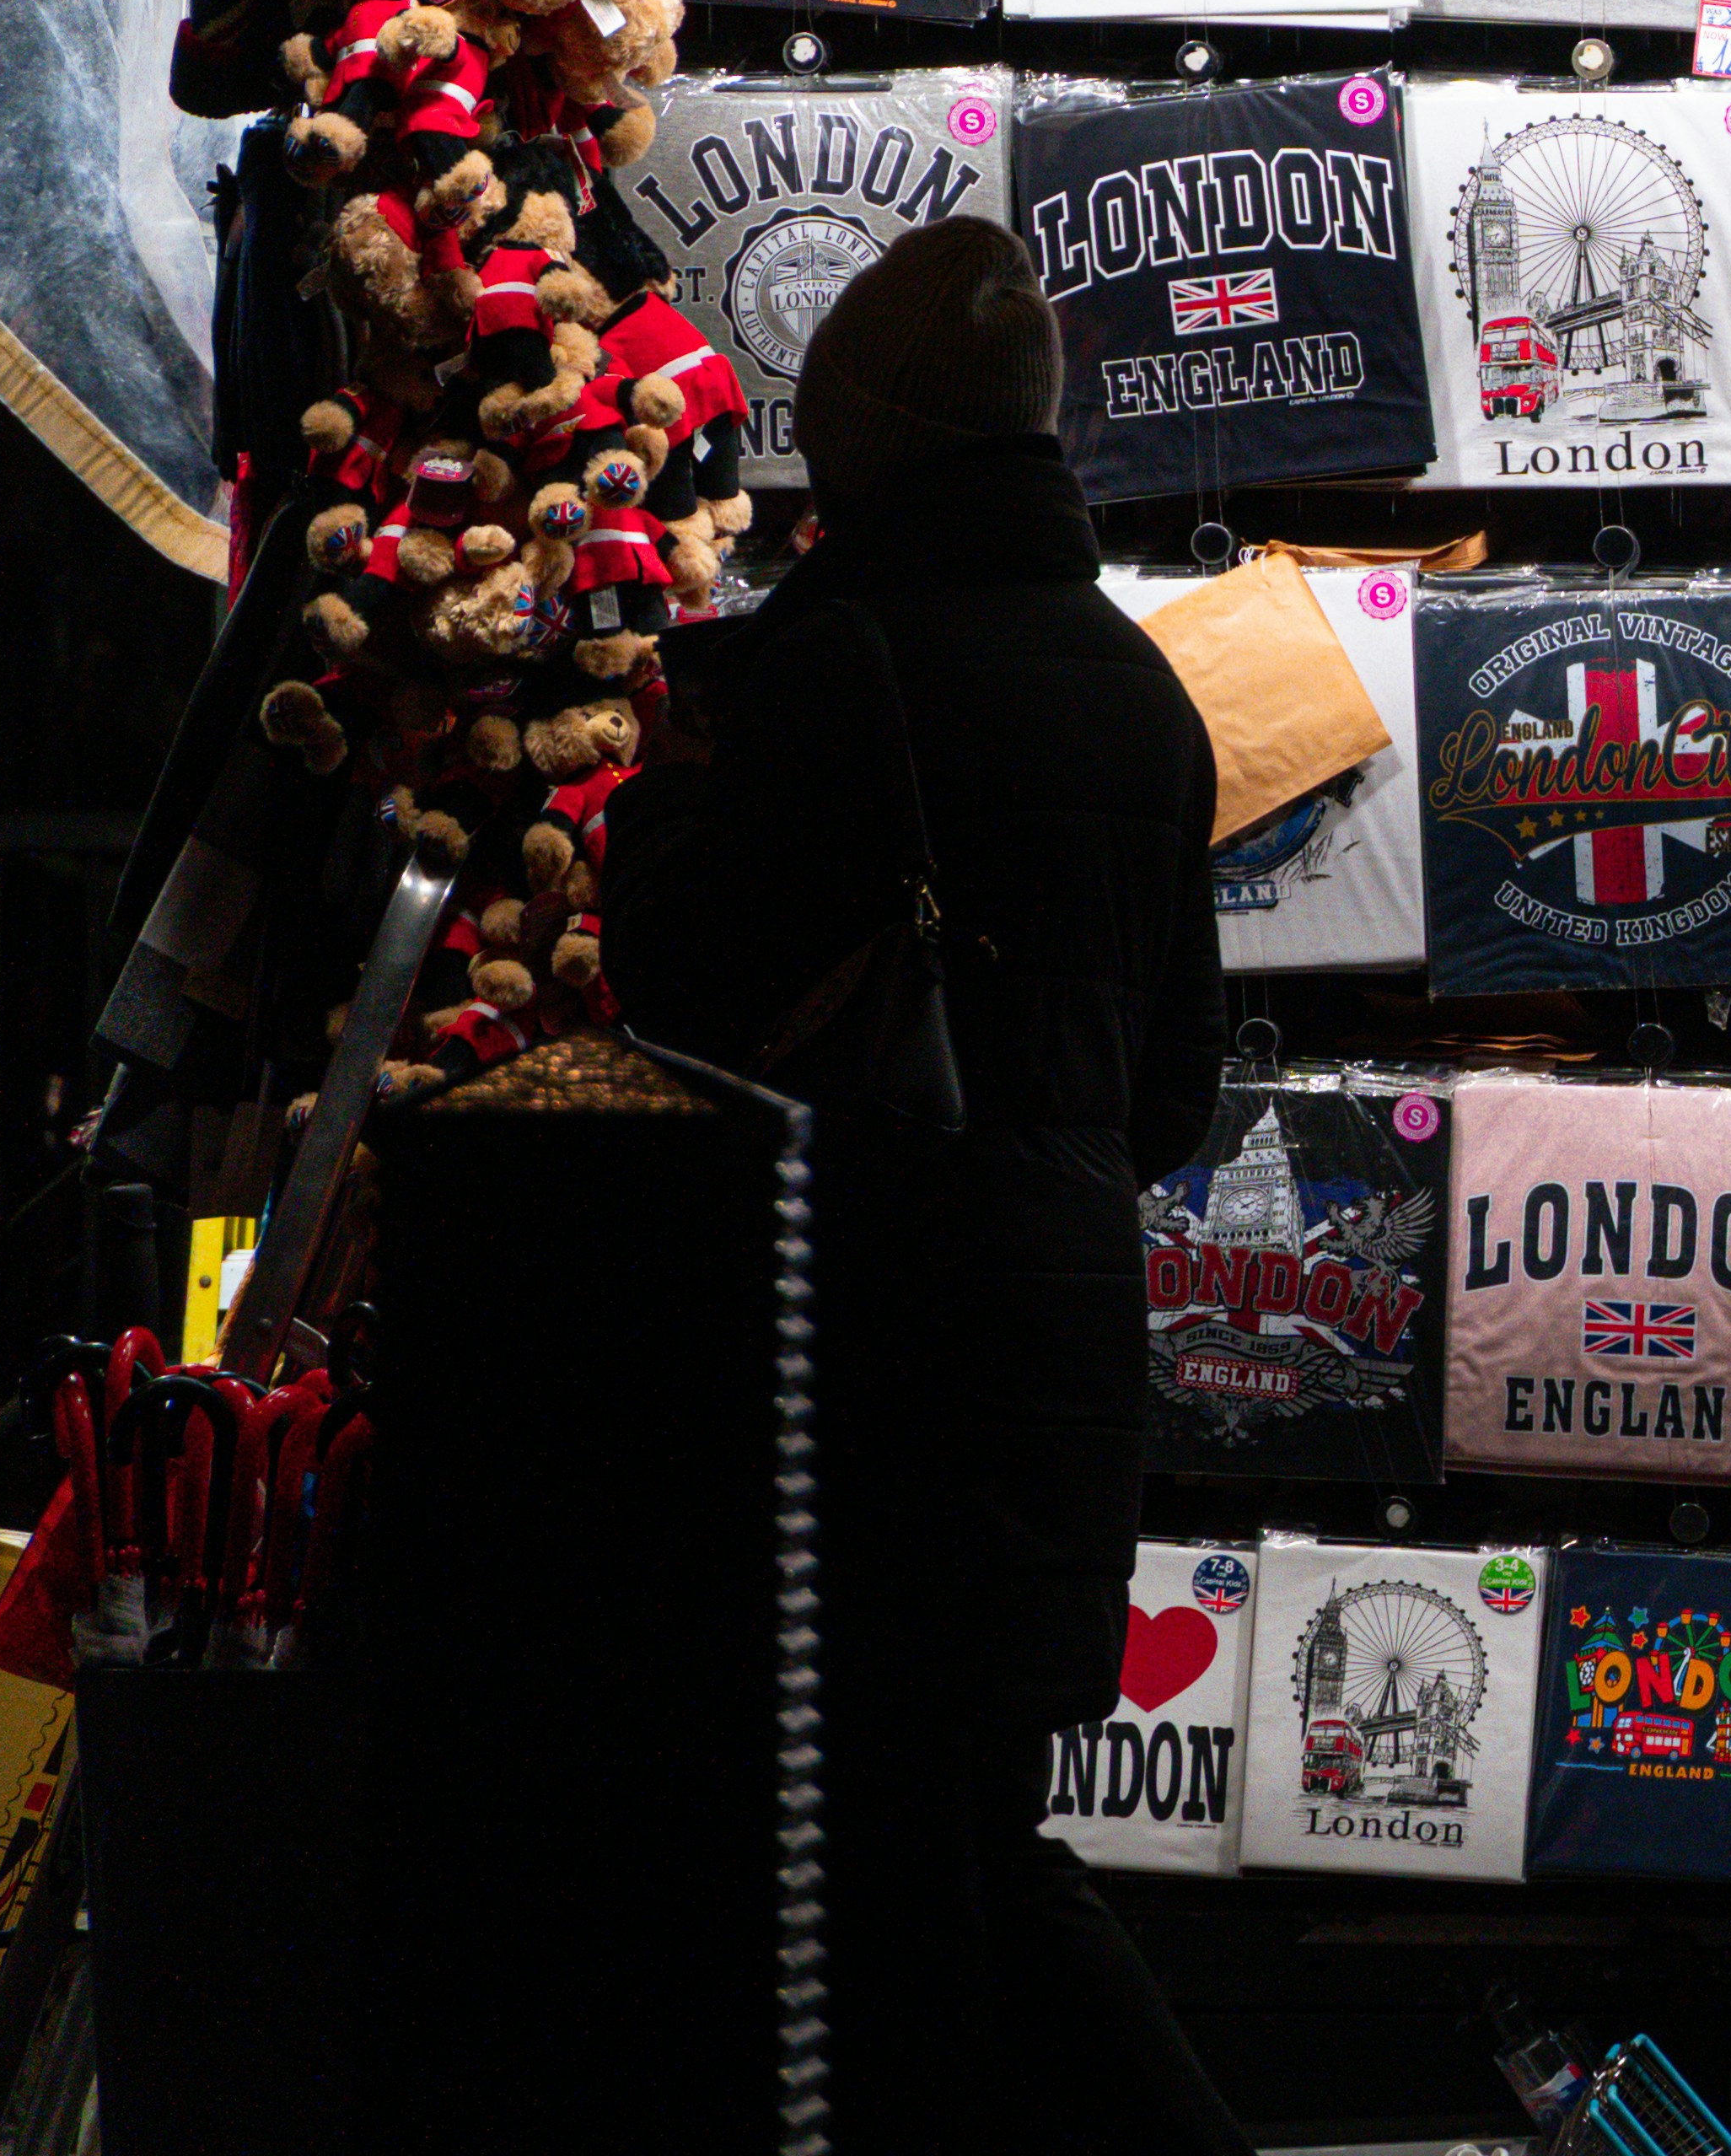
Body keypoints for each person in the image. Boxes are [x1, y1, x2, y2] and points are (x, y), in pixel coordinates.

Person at [606, 221, 1249, 2156]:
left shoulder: (830, 664)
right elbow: (1176, 1093)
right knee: (960, 1838)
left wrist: (663, 799)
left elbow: (680, 1003)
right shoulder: (1141, 688)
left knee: (901, 1855)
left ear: (862, 429)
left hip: (867, 1339)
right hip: (1062, 1345)